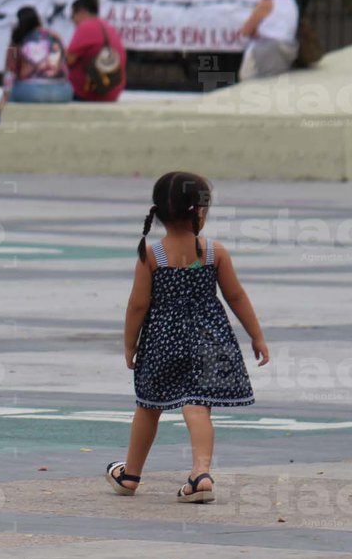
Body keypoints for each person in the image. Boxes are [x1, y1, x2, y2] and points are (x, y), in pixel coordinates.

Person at [105, 172, 269, 504]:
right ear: (200, 213)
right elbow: (236, 296)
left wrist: (129, 344)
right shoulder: (213, 252)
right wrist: (257, 336)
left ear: (159, 213)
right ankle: (200, 474)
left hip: (162, 342)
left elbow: (138, 305)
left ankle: (130, 475)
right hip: (209, 339)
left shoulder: (152, 255)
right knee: (197, 405)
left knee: (148, 406)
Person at [0, 6, 69, 110]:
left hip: (31, 91)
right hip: (62, 91)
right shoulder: (54, 36)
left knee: (8, 99)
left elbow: (10, 72)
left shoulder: (17, 41)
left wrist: (4, 97)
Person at [67, 0, 125, 103]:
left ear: (82, 12)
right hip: (112, 92)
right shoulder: (108, 27)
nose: (73, 21)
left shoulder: (86, 27)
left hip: (88, 93)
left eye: (73, 16)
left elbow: (68, 60)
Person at [239, 0, 298, 81]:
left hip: (268, 51)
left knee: (248, 79)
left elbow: (246, 30)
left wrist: (257, 32)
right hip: (288, 50)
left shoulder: (267, 3)